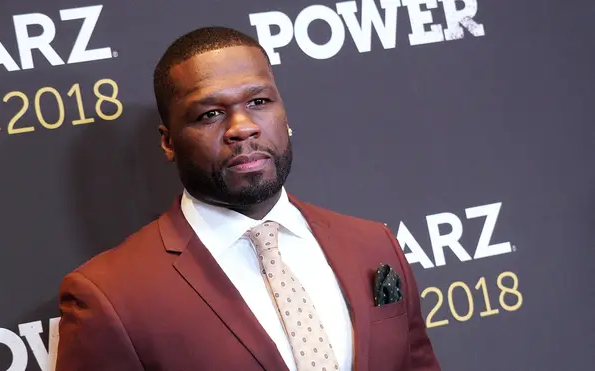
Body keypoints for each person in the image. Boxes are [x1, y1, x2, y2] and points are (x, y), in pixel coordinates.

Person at [55, 26, 441, 371]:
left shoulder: (373, 244)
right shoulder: (110, 297)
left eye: (258, 102)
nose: (242, 128)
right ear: (168, 142)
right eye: (209, 114)